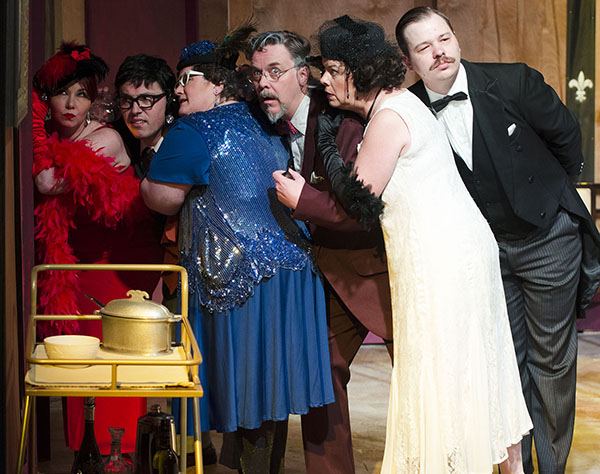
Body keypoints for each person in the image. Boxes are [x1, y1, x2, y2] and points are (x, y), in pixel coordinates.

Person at [314, 15, 533, 473]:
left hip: (440, 260)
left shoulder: (389, 118)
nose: (324, 80)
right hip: (459, 250)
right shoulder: (404, 106)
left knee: (442, 369)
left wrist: (324, 150)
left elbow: (357, 200)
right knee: (474, 367)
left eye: (333, 70)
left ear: (361, 70)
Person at [395, 7, 600, 472]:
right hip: (482, 252)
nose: (439, 52)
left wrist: (544, 198)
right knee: (505, 363)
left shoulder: (514, 82)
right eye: (424, 47)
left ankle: (550, 467)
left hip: (547, 239)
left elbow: (567, 140)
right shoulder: (409, 110)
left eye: (444, 38)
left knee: (551, 363)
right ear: (408, 61)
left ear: (455, 37)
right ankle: (516, 466)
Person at [140, 29, 334, 473]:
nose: (178, 89)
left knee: (245, 391)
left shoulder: (194, 128)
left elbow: (163, 198)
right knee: (267, 397)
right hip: (291, 274)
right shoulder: (264, 119)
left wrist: (147, 176)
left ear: (217, 84)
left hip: (240, 282)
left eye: (187, 79)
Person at [247, 30, 393, 474]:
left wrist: (304, 201)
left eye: (274, 71)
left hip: (380, 271)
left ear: (302, 75)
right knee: (319, 373)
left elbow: (360, 209)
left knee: (424, 380)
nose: (264, 83)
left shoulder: (341, 121)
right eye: (257, 74)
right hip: (327, 273)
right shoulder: (261, 122)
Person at [32, 42, 163, 455]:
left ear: (93, 101)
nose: (71, 104)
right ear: (49, 98)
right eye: (62, 93)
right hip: (82, 272)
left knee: (112, 363)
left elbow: (48, 183)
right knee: (80, 366)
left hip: (118, 270)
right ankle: (88, 453)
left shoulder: (105, 139)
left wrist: (34, 125)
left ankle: (116, 453)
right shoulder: (61, 143)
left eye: (82, 94)